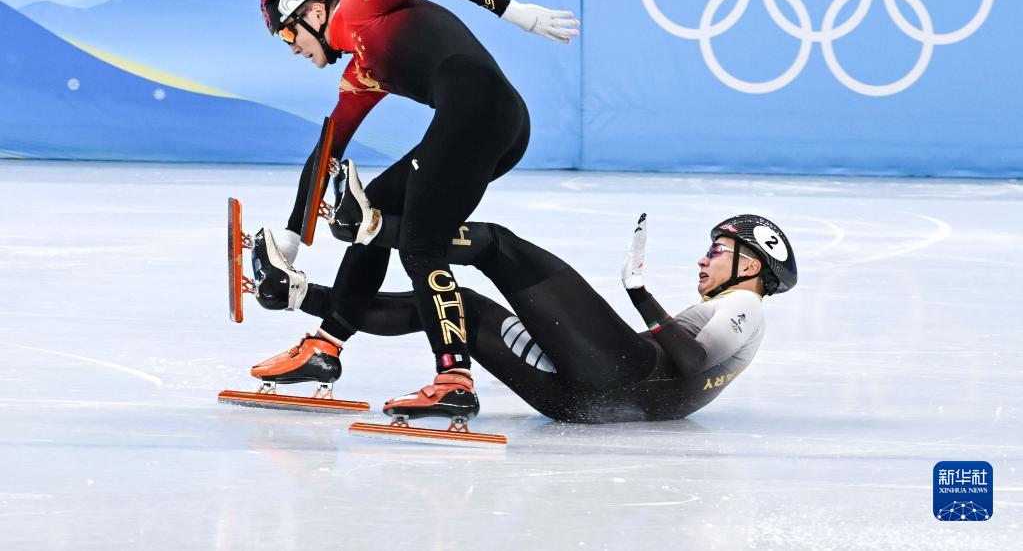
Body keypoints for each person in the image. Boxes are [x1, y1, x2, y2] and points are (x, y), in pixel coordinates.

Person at [254, 0, 579, 420]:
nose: (292, 47)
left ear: (315, 12)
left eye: (289, 32)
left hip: (478, 111)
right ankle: (325, 347)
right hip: (494, 123)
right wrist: (291, 236)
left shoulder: (360, 5)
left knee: (420, 245)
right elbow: (327, 150)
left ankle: (454, 379)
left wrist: (516, 13)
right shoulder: (360, 73)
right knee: (381, 206)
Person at [251, 181, 797, 423]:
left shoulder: (745, 306)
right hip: (580, 402)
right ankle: (295, 292)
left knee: (497, 245)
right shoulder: (735, 311)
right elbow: (685, 384)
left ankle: (374, 226)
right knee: (449, 305)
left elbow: (692, 360)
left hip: (618, 374)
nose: (704, 260)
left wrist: (639, 292)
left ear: (751, 266)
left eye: (717, 250)